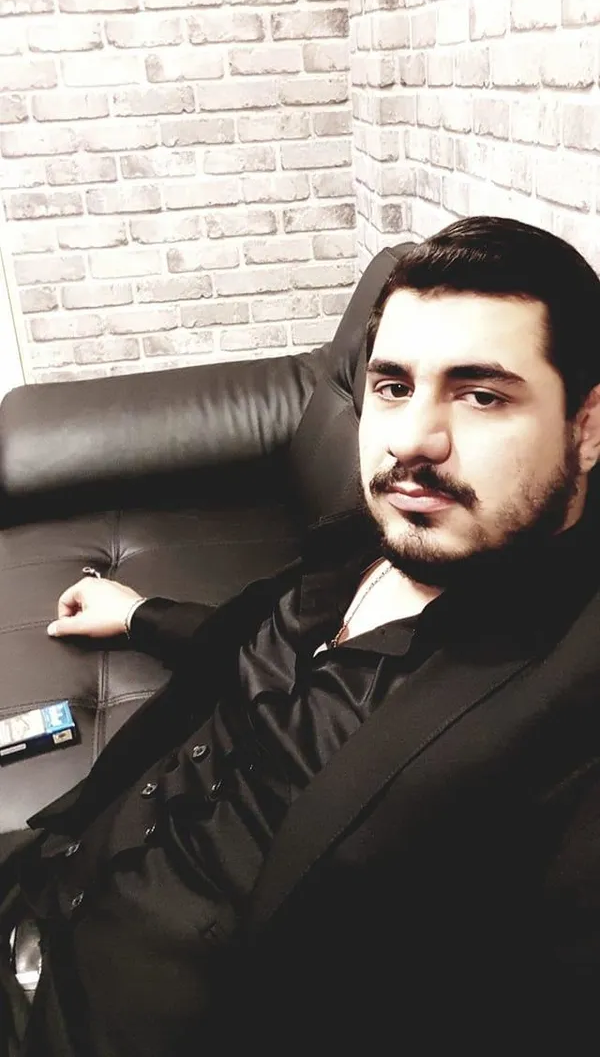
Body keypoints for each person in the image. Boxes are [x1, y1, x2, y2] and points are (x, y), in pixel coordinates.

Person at [4, 215, 600, 1055]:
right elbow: (255, 644)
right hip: (49, 872)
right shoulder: (372, 538)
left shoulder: (568, 689)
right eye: (392, 387)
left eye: (482, 395)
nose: (412, 441)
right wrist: (139, 614)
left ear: (588, 425)